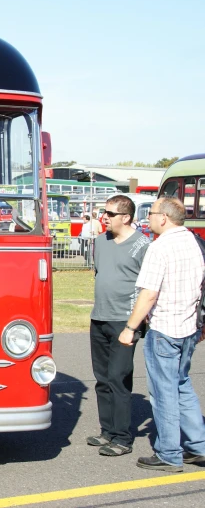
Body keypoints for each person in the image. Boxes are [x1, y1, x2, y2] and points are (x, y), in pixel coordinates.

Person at [119, 197, 205, 473]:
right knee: (182, 385)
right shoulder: (194, 242)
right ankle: (198, 446)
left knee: (163, 392)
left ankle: (169, 453)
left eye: (152, 213)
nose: (149, 218)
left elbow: (149, 294)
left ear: (164, 218)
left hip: (165, 328)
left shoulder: (159, 248)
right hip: (189, 328)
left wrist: (130, 328)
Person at [87, 194, 151, 457]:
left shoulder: (143, 245)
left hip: (124, 321)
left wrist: (135, 325)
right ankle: (107, 431)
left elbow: (149, 286)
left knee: (118, 377)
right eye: (104, 212)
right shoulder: (101, 242)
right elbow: (100, 274)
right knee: (102, 379)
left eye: (110, 213)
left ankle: (123, 438)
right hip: (99, 317)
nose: (105, 217)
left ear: (126, 217)